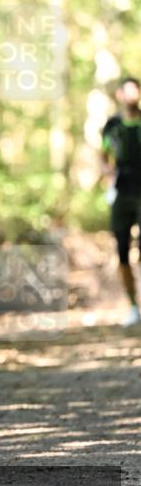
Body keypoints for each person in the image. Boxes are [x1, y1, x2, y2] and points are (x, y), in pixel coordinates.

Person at [101, 76, 141, 326]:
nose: (131, 94)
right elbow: (103, 156)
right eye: (127, 91)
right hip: (122, 192)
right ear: (119, 95)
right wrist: (108, 175)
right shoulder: (112, 126)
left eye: (135, 90)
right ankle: (133, 307)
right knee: (122, 251)